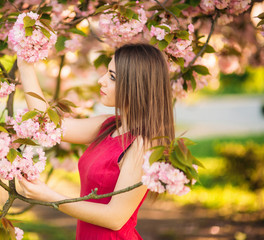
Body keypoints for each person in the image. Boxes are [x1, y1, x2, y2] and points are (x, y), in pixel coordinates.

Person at [17, 43, 175, 239]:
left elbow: (116, 218)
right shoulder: (108, 126)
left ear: (136, 85)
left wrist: (50, 197)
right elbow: (45, 123)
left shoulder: (143, 145)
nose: (101, 81)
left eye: (112, 77)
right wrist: (25, 65)